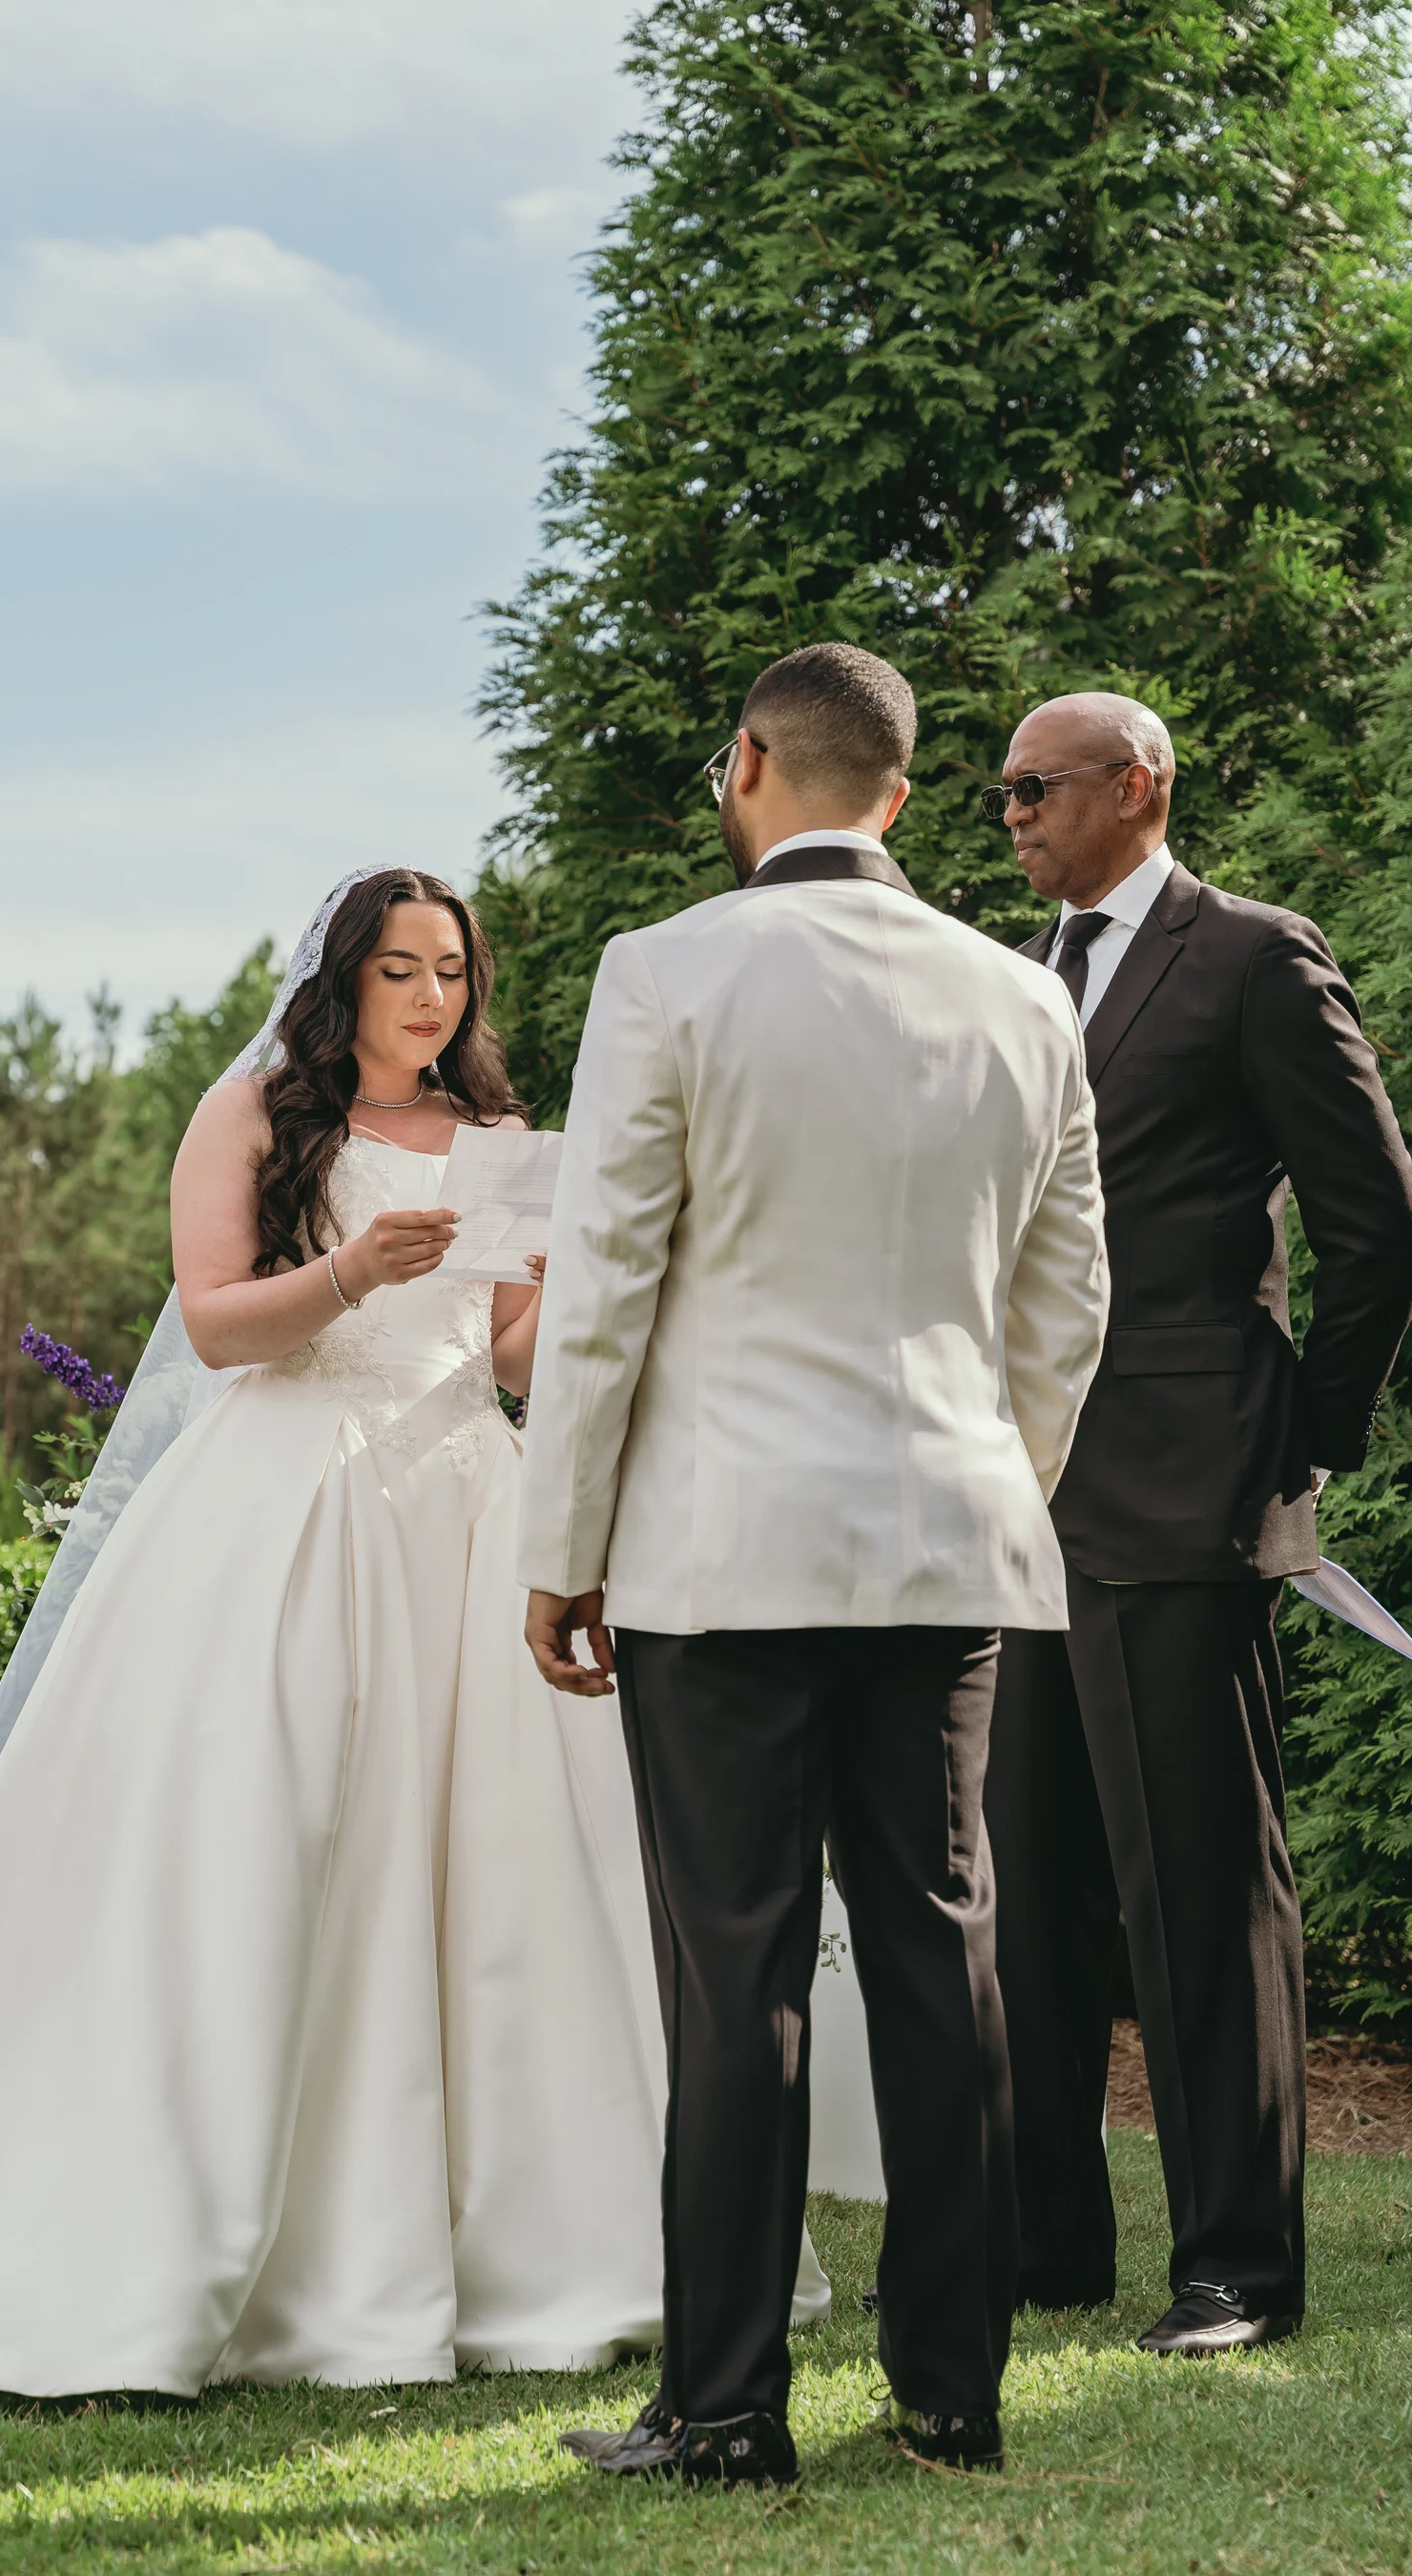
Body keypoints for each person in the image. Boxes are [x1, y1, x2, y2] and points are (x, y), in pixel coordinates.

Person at [0, 865, 725, 2395]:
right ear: (341, 981)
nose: (435, 998)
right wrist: (350, 1270)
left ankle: (527, 2245)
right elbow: (215, 1319)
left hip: (460, 1505)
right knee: (271, 1836)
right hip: (287, 1504)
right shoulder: (250, 1117)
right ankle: (219, 2221)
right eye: (401, 971)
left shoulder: (508, 1143)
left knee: (496, 1871)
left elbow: (508, 1355)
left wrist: (549, 1281)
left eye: (454, 971)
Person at [519, 641, 1110, 2486]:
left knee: (739, 1970)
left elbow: (607, 1281)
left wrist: (564, 1542)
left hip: (723, 1558)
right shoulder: (1024, 999)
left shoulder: (668, 970)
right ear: (908, 797)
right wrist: (985, 1483)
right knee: (946, 1957)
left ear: (748, 766)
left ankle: (720, 2414)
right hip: (947, 1551)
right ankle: (952, 2399)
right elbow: (1066, 1303)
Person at [982, 693, 1412, 2356]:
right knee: (1022, 1884)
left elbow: (1378, 1226)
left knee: (1199, 1888)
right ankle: (1042, 2250)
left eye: (1038, 785)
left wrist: (1291, 1435)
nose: (1010, 811)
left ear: (1137, 785)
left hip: (1187, 1482)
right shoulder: (1013, 980)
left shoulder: (1253, 957)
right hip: (1012, 1494)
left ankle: (1235, 2267)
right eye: (1002, 790)